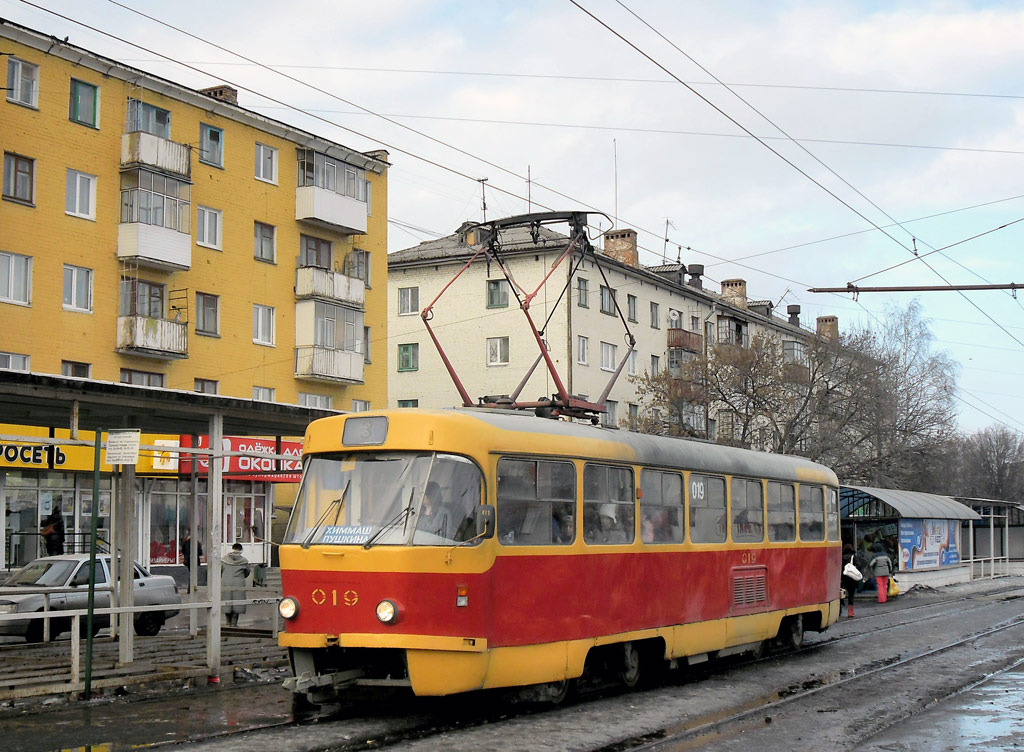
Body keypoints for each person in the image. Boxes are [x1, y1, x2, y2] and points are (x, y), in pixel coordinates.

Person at [221, 543, 251, 627]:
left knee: (226, 601)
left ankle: (227, 623)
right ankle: (234, 624)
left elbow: (220, 570)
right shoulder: (244, 561)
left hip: (226, 583)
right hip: (239, 583)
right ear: (241, 550)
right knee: (238, 603)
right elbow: (247, 572)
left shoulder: (224, 560)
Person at [840, 543, 862, 617]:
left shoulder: (841, 557)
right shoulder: (854, 557)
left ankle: (839, 610)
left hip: (843, 578)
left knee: (840, 594)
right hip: (851, 578)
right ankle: (850, 612)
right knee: (851, 595)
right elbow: (859, 565)